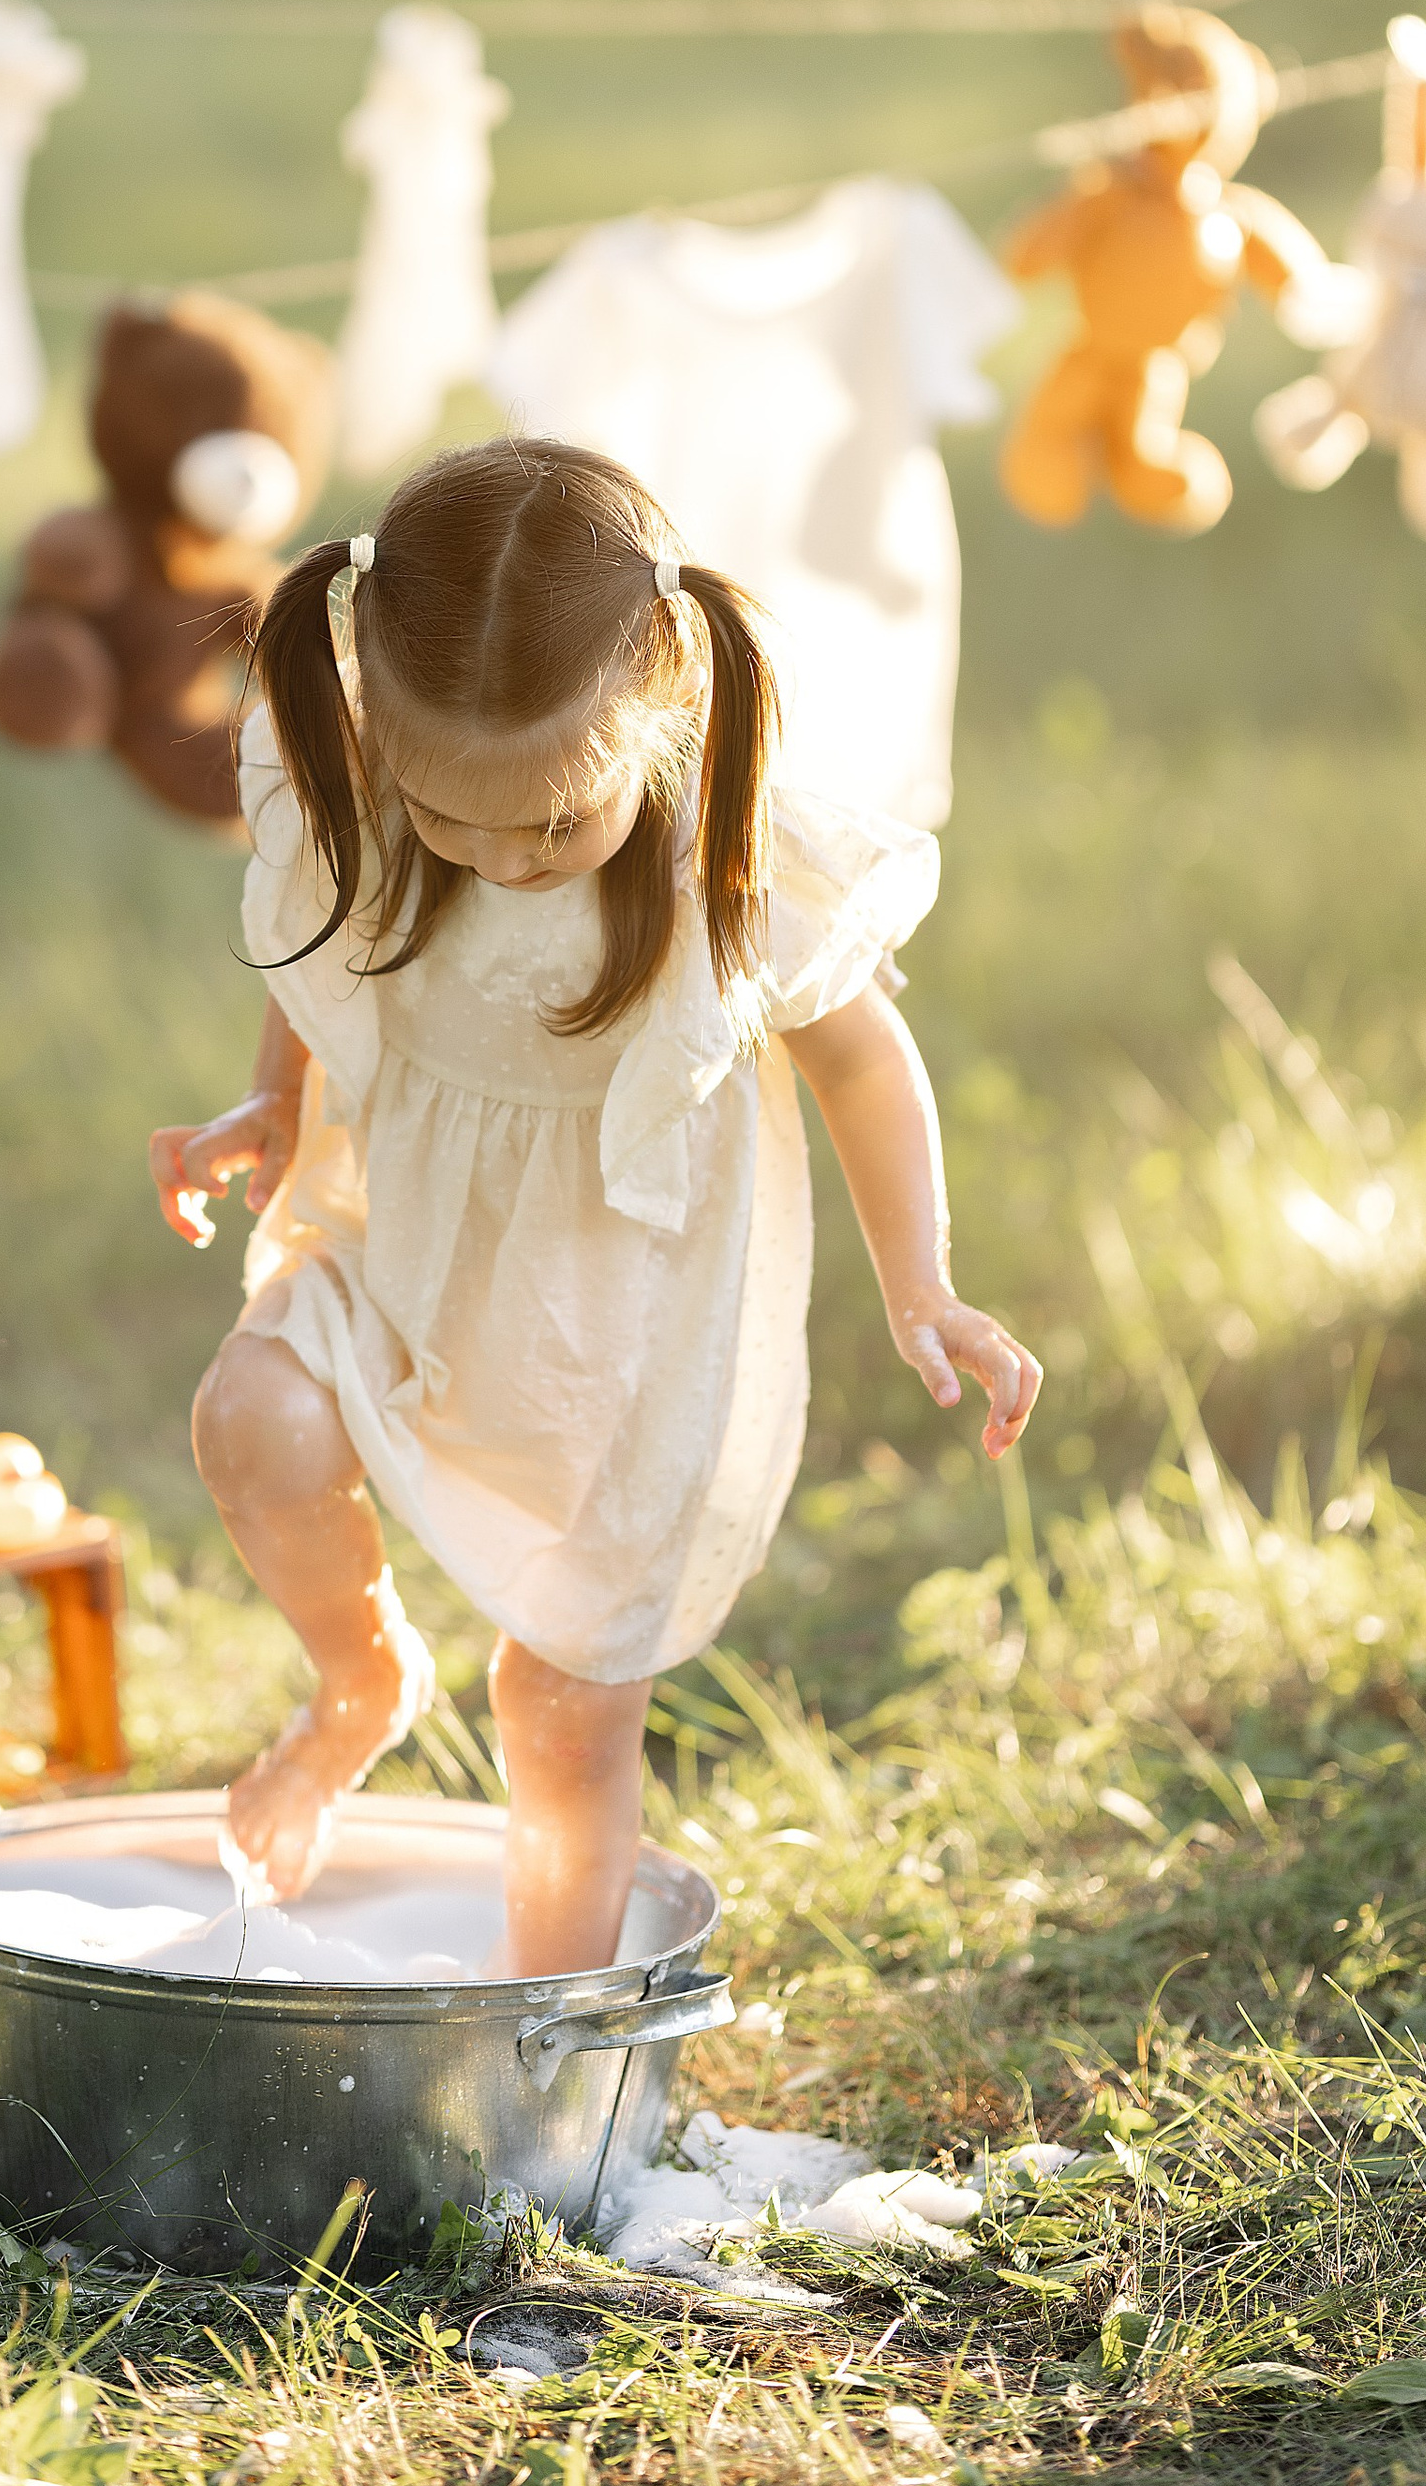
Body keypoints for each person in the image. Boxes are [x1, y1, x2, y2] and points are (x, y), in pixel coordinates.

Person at [149, 438, 1038, 1975]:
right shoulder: (359, 785)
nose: (498, 857)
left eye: (550, 827)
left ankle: (540, 2026)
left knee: (560, 1709)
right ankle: (358, 1680)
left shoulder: (728, 861)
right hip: (398, 1230)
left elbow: (868, 1068)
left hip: (616, 1321)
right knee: (254, 1419)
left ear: (660, 692)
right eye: (456, 820)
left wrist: (928, 1285)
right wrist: (272, 1109)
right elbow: (323, 967)